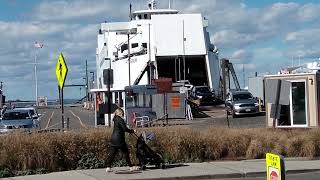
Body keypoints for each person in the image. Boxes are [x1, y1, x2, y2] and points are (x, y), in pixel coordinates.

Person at [106, 108, 137, 172]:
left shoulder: (115, 119)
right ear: (120, 113)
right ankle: (131, 167)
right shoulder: (120, 119)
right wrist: (132, 131)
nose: (123, 114)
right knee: (126, 153)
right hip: (119, 139)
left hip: (113, 138)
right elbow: (124, 129)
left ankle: (108, 167)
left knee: (112, 154)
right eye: (122, 113)